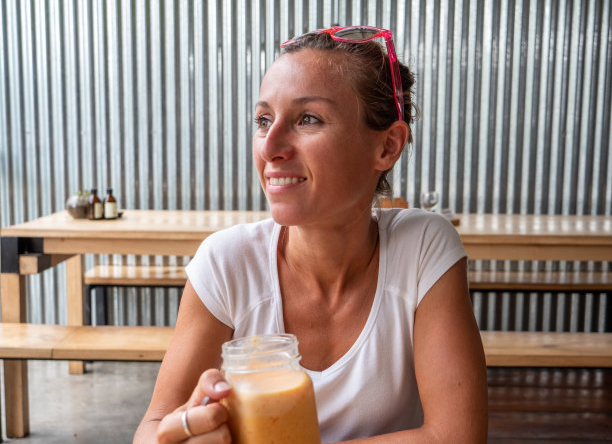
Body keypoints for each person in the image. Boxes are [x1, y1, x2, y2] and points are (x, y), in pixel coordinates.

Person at [134, 25, 488, 444]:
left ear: (387, 146)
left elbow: (457, 437)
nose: (269, 147)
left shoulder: (423, 247)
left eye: (308, 119)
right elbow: (152, 430)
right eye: (263, 120)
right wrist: (185, 432)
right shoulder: (226, 262)